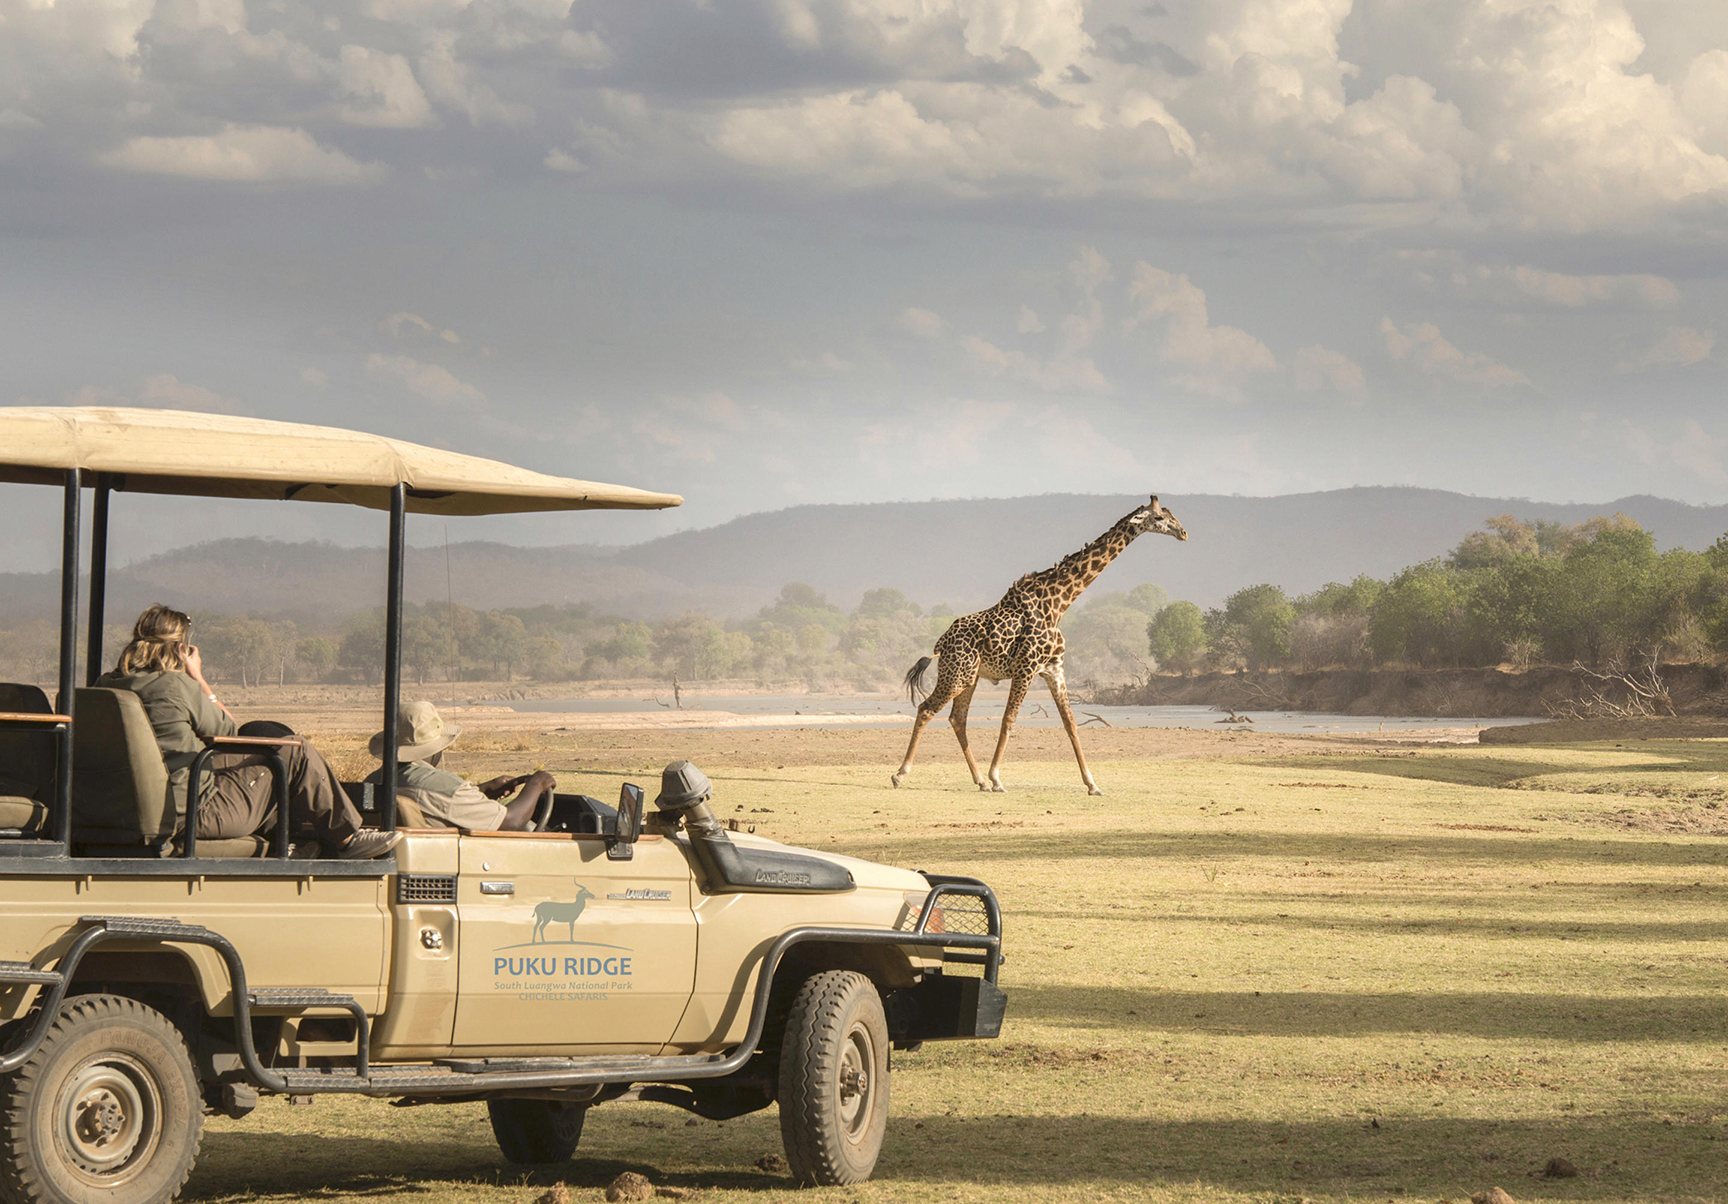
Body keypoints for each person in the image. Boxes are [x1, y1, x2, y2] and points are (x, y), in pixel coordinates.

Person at [96, 605, 399, 859]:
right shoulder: (175, 686)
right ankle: (346, 839)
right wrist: (198, 677)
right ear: (179, 647)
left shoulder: (106, 685)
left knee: (263, 754)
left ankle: (289, 842)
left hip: (124, 806)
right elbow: (229, 730)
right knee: (293, 750)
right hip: (189, 812)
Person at [365, 700, 556, 831]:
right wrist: (537, 784)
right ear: (435, 749)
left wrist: (482, 790)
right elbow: (512, 821)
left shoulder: (374, 781)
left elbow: (437, 806)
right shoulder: (444, 786)